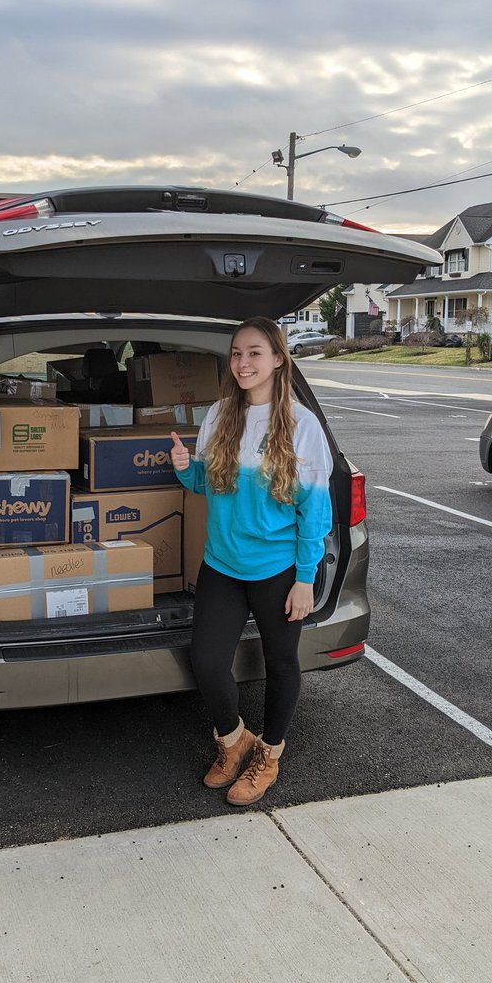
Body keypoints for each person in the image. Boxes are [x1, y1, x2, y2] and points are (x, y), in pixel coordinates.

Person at [171, 317, 334, 805]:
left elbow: (316, 513)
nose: (243, 363)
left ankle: (269, 753)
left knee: (281, 663)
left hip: (278, 570)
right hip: (222, 563)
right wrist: (185, 471)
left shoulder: (302, 426)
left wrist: (305, 578)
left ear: (279, 359)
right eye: (237, 353)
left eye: (255, 353)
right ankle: (233, 738)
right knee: (206, 660)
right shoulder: (220, 415)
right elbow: (207, 485)